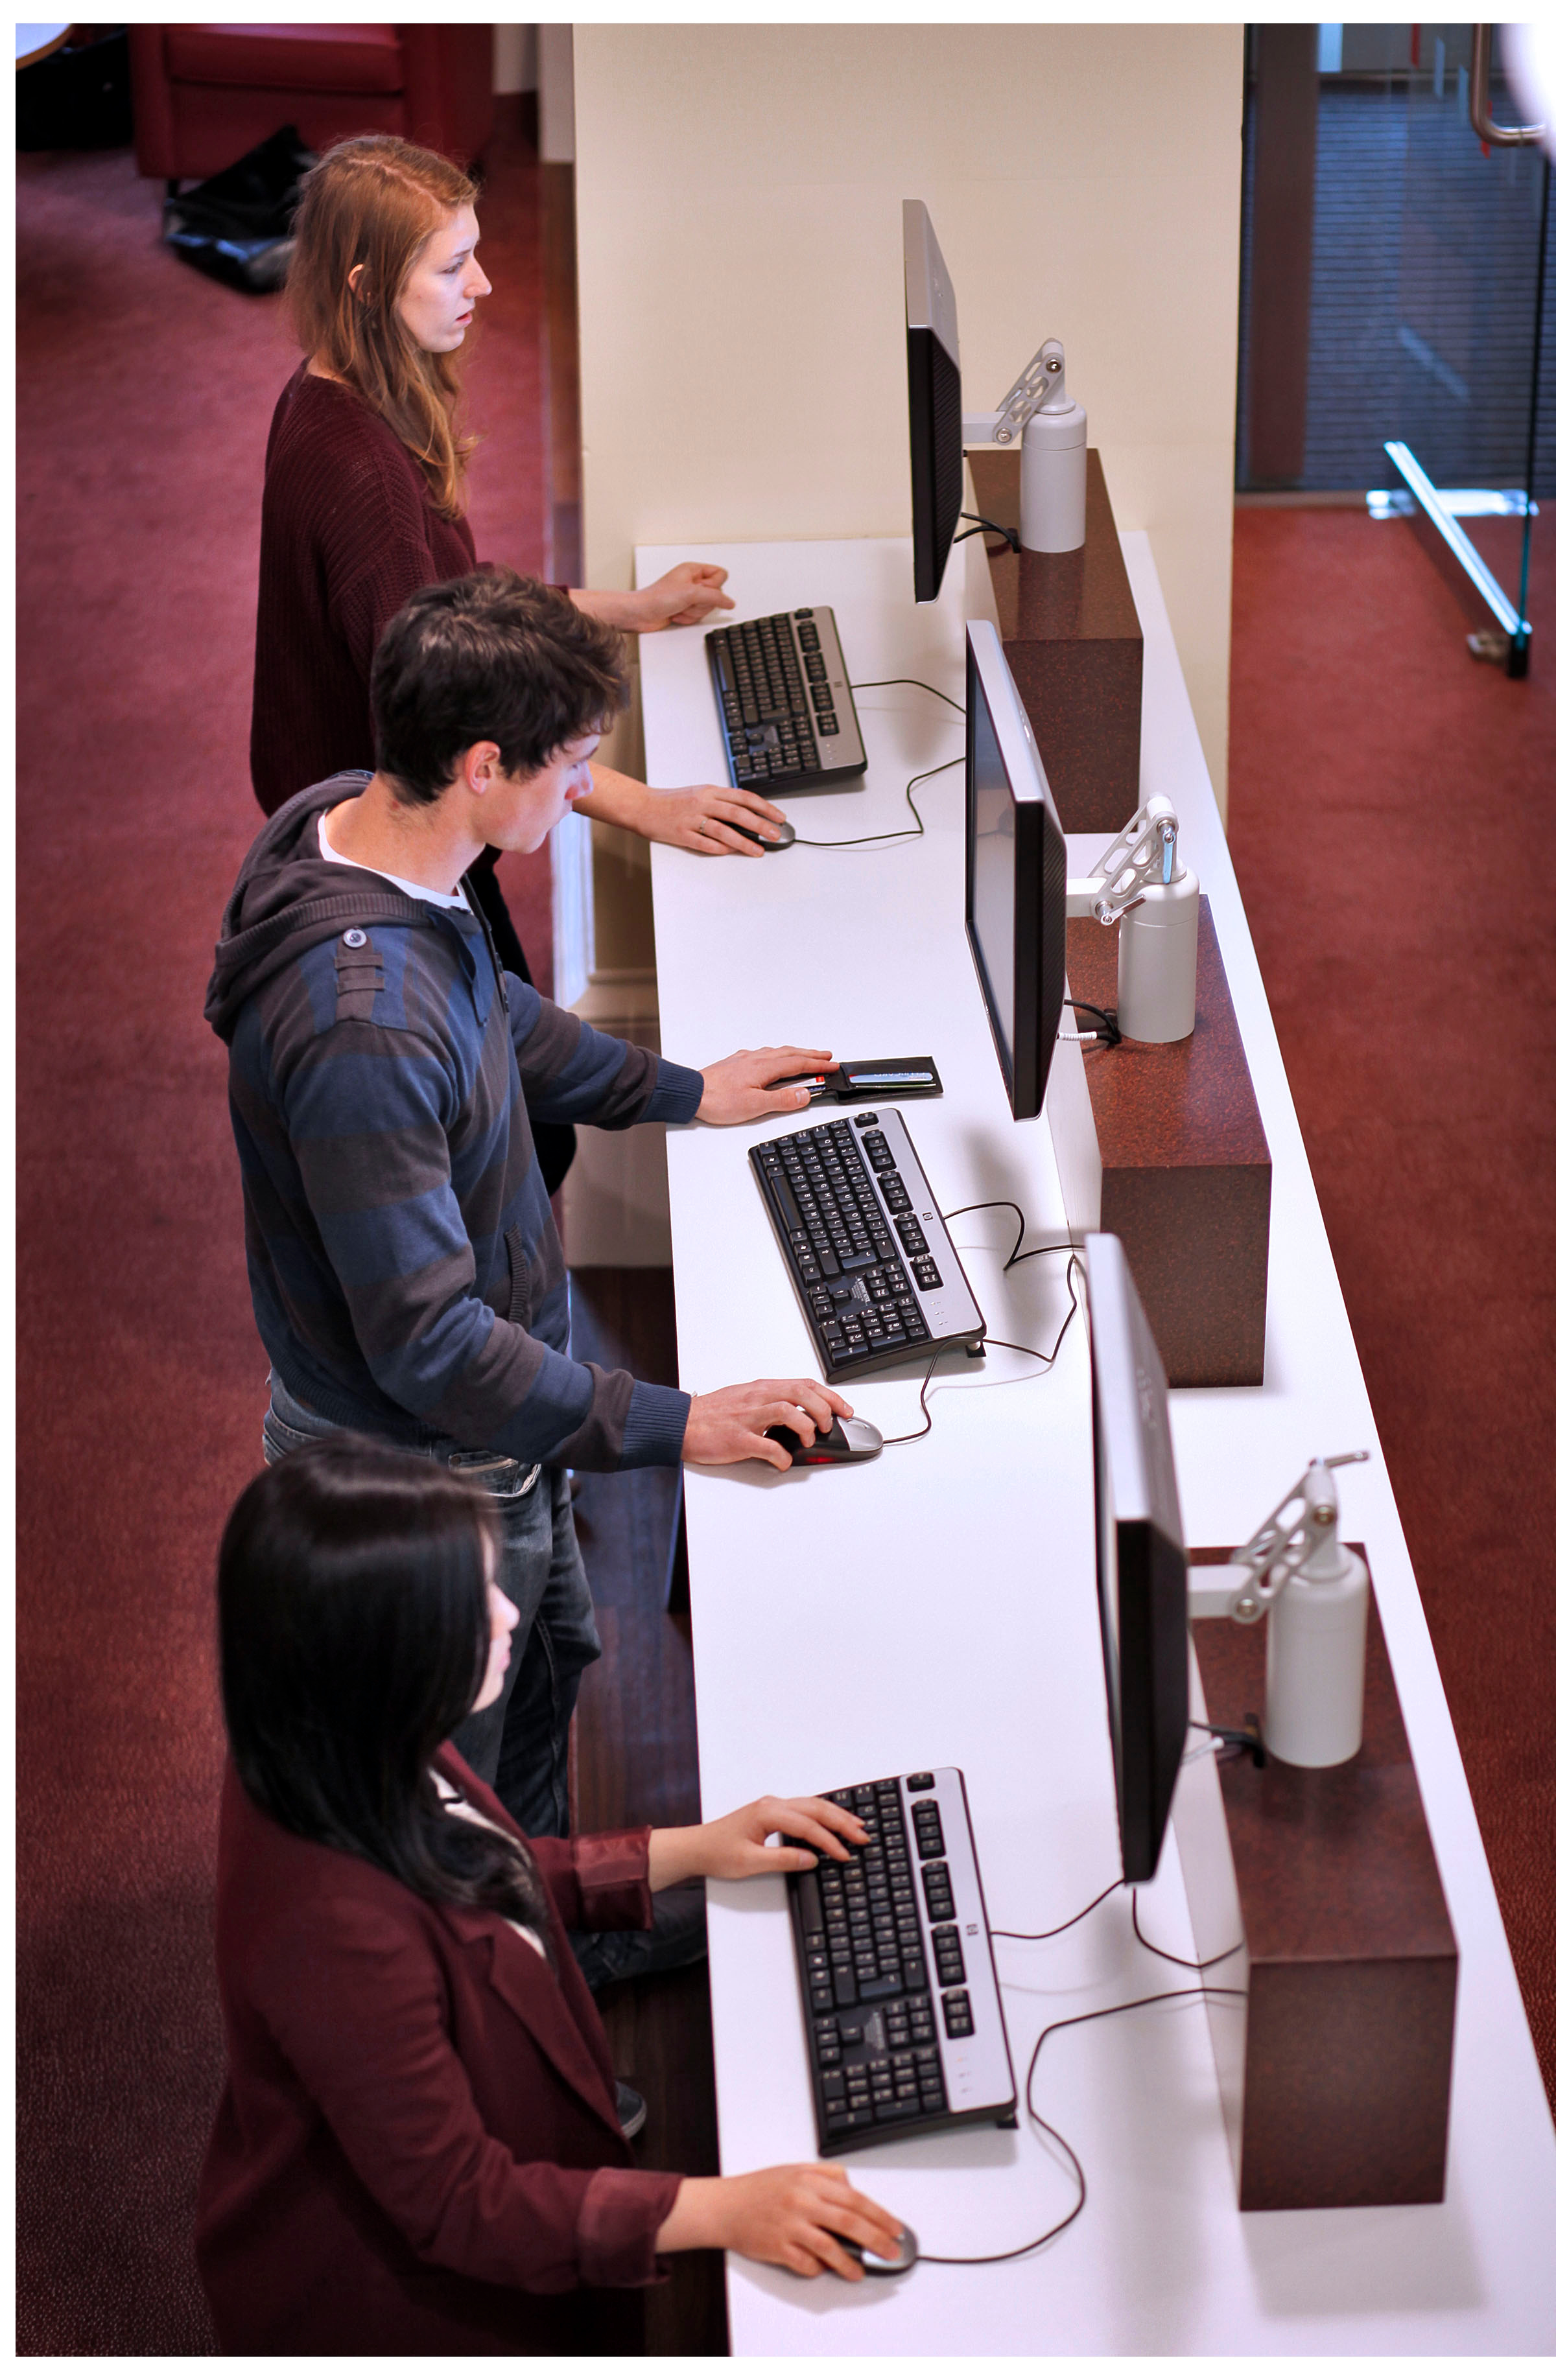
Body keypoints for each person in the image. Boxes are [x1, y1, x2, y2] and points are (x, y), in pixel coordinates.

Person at [206, 566, 848, 1918]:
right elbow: (433, 1347)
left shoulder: (353, 819)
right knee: (457, 1810)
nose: (583, 788)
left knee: (552, 1671)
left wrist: (684, 1093)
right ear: (484, 764)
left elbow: (492, 1005)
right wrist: (674, 1423)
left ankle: (572, 1949)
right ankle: (516, 2025)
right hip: (430, 1463)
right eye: (572, 765)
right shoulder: (361, 1033)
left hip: (498, 1418)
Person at [196, 1438, 908, 2353]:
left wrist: (687, 1849)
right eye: (471, 1607)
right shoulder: (336, 1934)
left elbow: (477, 1862)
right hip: (413, 2308)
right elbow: (461, 2203)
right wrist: (719, 2207)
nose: (504, 1617)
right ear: (385, 1657)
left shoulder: (338, 1733)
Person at [252, 135, 786, 1193]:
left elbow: (454, 600)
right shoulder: (355, 468)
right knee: (519, 1137)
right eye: (452, 266)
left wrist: (621, 608)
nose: (484, 285)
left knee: (529, 1109)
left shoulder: (348, 395)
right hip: (385, 829)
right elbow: (460, 697)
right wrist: (640, 803)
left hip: (386, 801)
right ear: (366, 284)